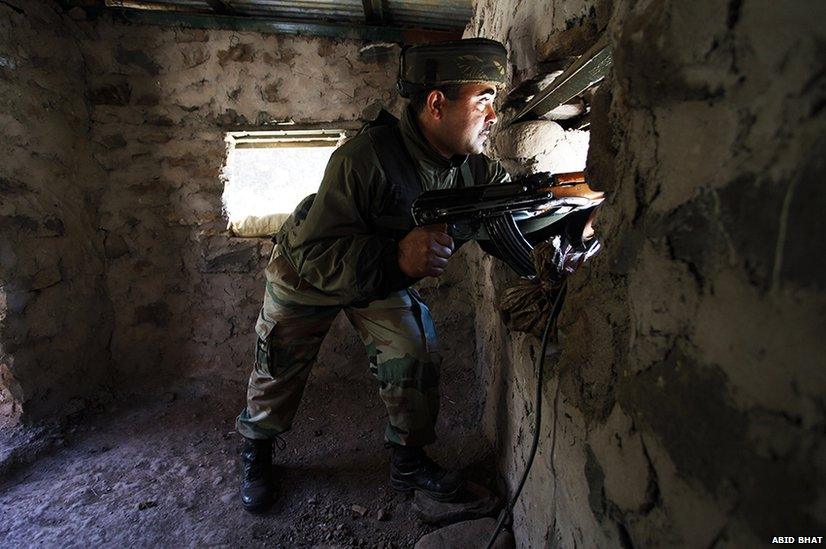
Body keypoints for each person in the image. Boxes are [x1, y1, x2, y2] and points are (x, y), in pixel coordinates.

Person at [235, 38, 510, 512]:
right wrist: (399, 261)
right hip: (309, 268)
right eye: (484, 100)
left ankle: (409, 459)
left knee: (413, 347)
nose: (494, 116)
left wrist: (572, 212)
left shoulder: (470, 169)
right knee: (278, 359)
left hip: (376, 274)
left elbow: (510, 207)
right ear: (437, 103)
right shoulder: (363, 159)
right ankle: (257, 447)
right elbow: (320, 253)